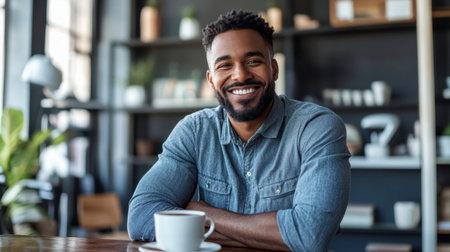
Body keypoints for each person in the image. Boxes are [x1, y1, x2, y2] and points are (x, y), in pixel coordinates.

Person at [128, 9, 351, 251]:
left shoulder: (316, 127)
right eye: (224, 66)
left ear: (274, 69)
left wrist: (200, 213)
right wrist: (275, 235)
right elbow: (140, 218)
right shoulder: (193, 132)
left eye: (253, 61)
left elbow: (310, 235)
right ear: (211, 79)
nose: (241, 75)